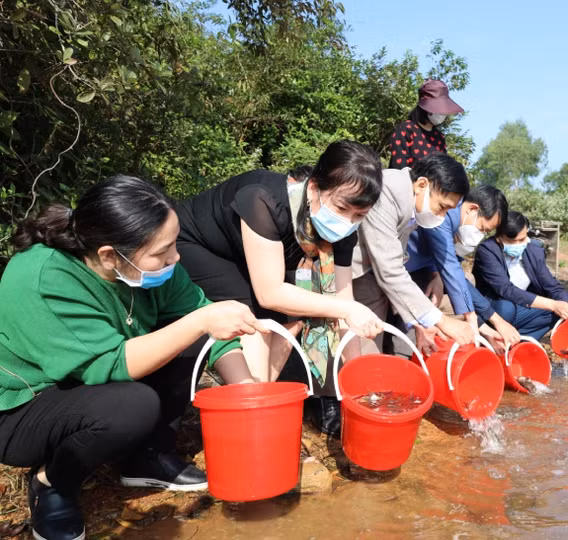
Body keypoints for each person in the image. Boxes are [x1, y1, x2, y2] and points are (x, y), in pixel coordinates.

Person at [0, 176, 264, 540]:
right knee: (131, 405)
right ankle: (52, 482)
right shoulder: (44, 278)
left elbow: (201, 315)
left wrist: (247, 392)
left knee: (188, 332)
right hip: (24, 408)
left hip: (91, 384)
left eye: (174, 244)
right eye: (162, 252)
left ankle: (146, 457)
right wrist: (201, 321)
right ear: (110, 256)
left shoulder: (151, 266)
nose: (175, 258)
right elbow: (109, 364)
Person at [175, 140, 386, 435]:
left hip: (260, 254)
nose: (348, 221)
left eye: (359, 215)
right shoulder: (263, 199)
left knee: (294, 318)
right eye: (341, 207)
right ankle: (249, 411)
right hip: (202, 246)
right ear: (313, 187)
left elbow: (343, 301)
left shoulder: (344, 231)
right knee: (251, 314)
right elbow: (270, 293)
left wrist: (355, 379)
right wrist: (348, 308)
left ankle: (258, 397)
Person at [352, 153, 476, 353]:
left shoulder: (412, 202)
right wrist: (442, 321)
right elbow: (390, 269)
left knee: (368, 354)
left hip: (373, 281)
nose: (442, 216)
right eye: (442, 207)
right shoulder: (388, 191)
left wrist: (422, 322)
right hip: (352, 277)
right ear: (422, 184)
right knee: (355, 354)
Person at [406, 185, 521, 352]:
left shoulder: (459, 227)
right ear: (472, 209)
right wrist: (490, 320)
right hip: (396, 275)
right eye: (482, 229)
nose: (480, 235)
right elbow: (452, 270)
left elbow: (451, 272)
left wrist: (437, 275)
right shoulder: (445, 216)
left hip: (418, 276)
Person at [473, 211, 568, 341]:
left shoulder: (533, 251)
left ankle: (522, 343)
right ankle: (493, 337)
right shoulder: (487, 250)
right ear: (499, 237)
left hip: (522, 306)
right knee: (506, 308)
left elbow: (552, 285)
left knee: (559, 311)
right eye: (512, 241)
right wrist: (552, 304)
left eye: (522, 239)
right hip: (494, 308)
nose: (518, 245)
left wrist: (567, 305)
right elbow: (505, 289)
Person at [388, 79, 463, 169]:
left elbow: (443, 169)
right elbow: (399, 168)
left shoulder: (439, 137)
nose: (442, 114)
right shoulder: (406, 130)